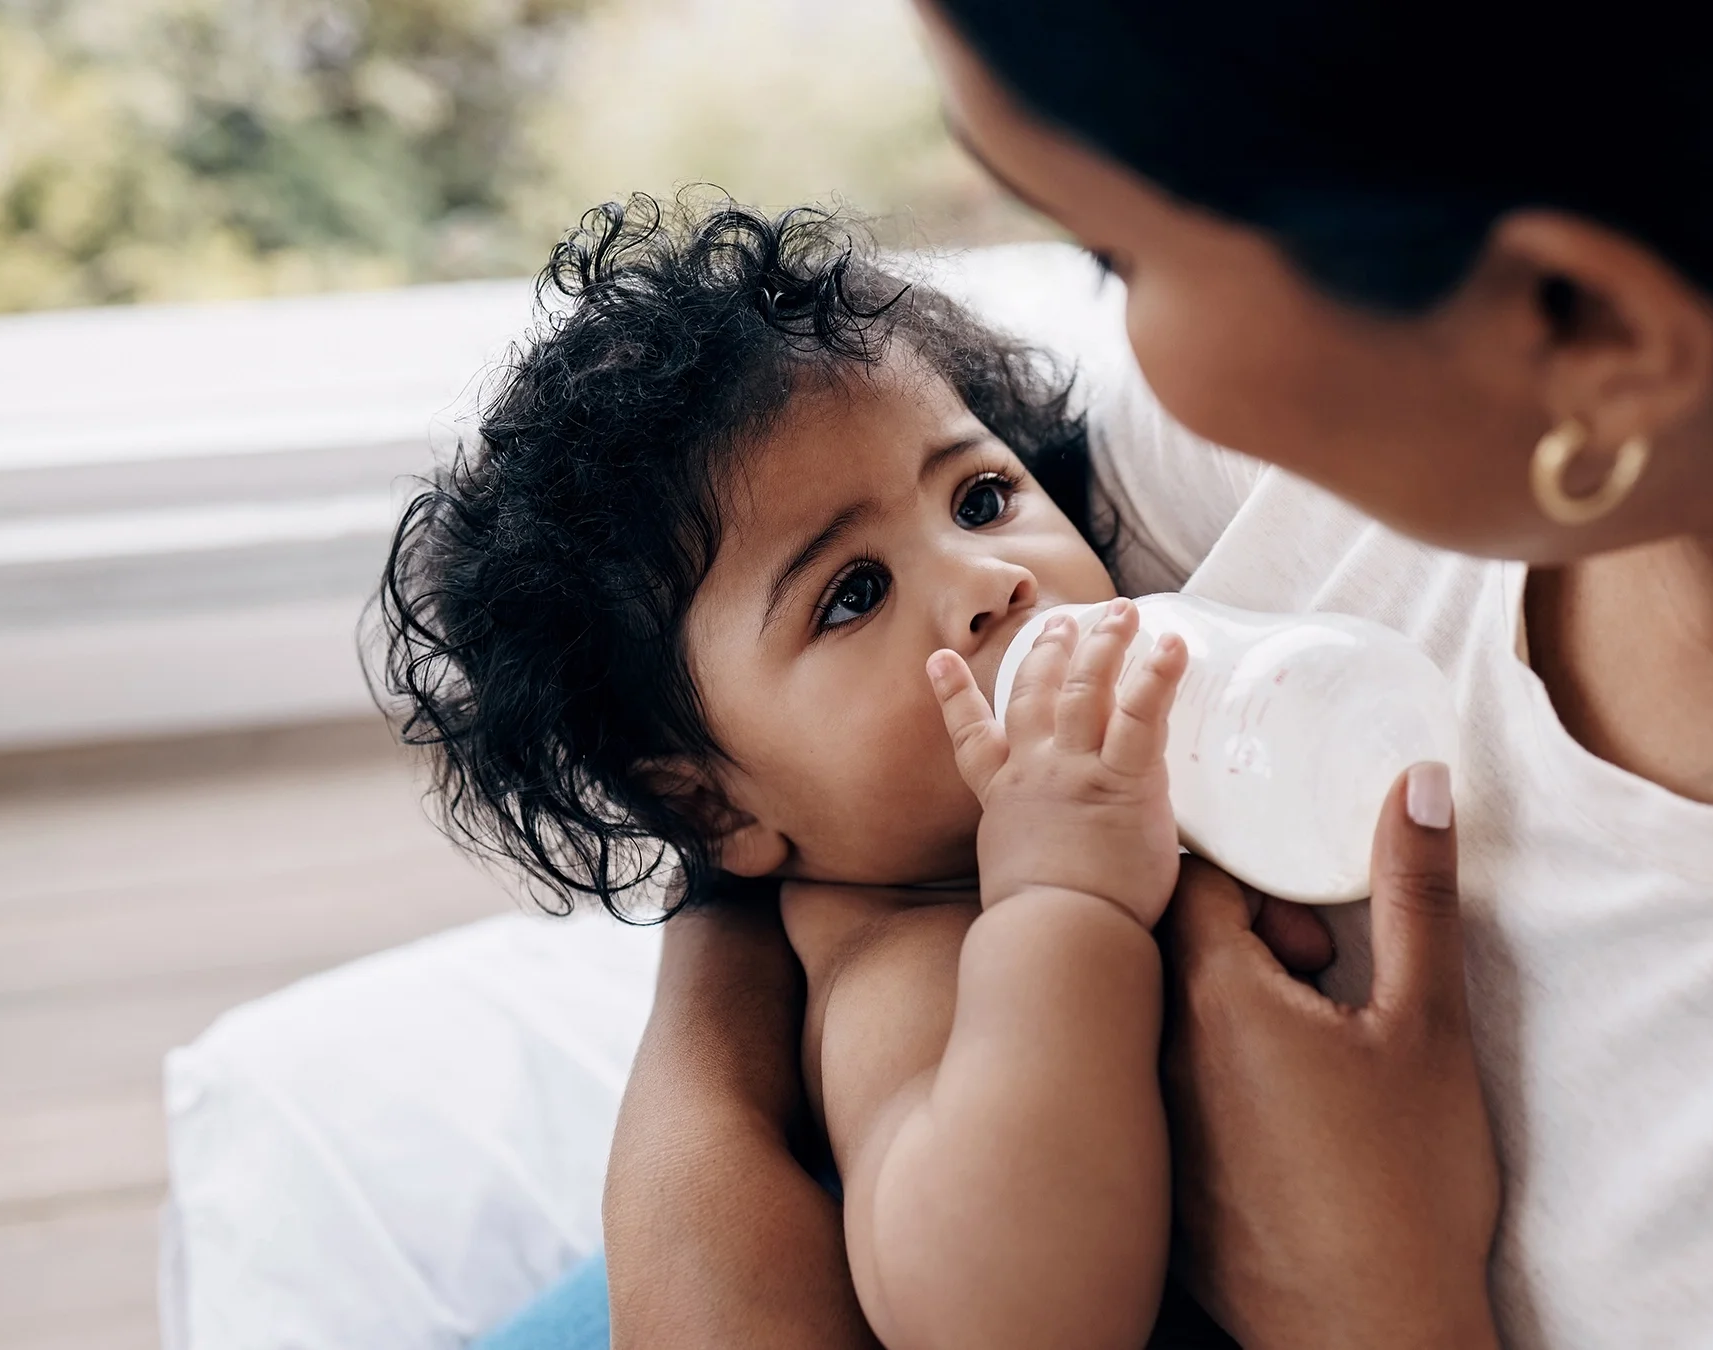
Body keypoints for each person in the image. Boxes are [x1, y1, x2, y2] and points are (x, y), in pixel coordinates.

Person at [586, 3, 1713, 1348]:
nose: (989, 574)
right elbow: (785, 778)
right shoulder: (1396, 392)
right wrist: (777, 960)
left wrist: (1376, 1315)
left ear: (1581, 333)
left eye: (1120, 258)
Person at [382, 197, 1330, 1349]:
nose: (991, 579)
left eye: (983, 497)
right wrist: (1061, 908)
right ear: (711, 802)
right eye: (853, 594)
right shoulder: (904, 962)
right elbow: (1012, 1318)